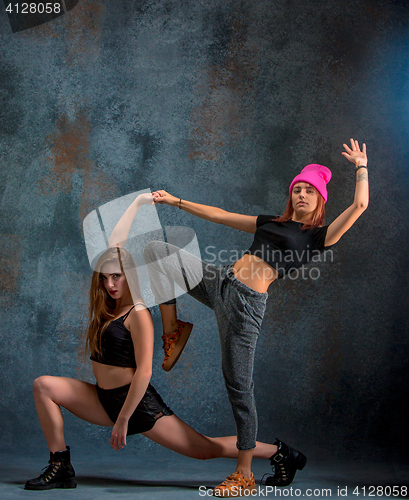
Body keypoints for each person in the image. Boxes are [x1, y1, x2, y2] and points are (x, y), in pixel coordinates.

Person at [144, 139, 369, 496]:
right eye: (297, 188)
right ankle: (173, 330)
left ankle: (244, 473)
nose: (301, 195)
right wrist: (175, 201)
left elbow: (360, 204)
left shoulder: (318, 237)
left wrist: (361, 166)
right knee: (158, 252)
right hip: (220, 282)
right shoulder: (271, 223)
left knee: (239, 387)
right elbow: (219, 214)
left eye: (310, 191)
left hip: (244, 307)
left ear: (321, 200)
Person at [24, 246, 281, 494]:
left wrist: (123, 419)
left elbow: (144, 372)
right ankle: (60, 466)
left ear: (130, 275)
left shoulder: (138, 313)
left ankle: (278, 453)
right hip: (103, 399)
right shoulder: (108, 311)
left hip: (135, 404)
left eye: (117, 276)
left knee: (204, 448)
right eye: (105, 278)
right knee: (43, 386)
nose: (110, 284)